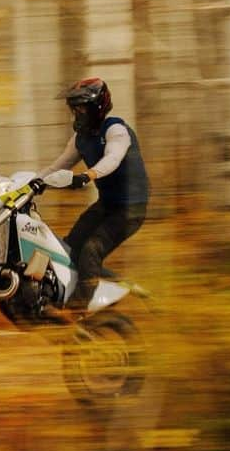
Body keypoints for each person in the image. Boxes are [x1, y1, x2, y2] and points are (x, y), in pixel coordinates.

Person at [37, 77, 149, 304]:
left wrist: (88, 175)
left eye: (81, 108)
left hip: (130, 210)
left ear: (97, 107)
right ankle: (123, 284)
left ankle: (77, 312)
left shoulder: (116, 130)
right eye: (74, 108)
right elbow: (55, 167)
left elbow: (113, 158)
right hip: (107, 205)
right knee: (69, 250)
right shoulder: (81, 139)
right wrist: (28, 185)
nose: (77, 114)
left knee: (90, 252)